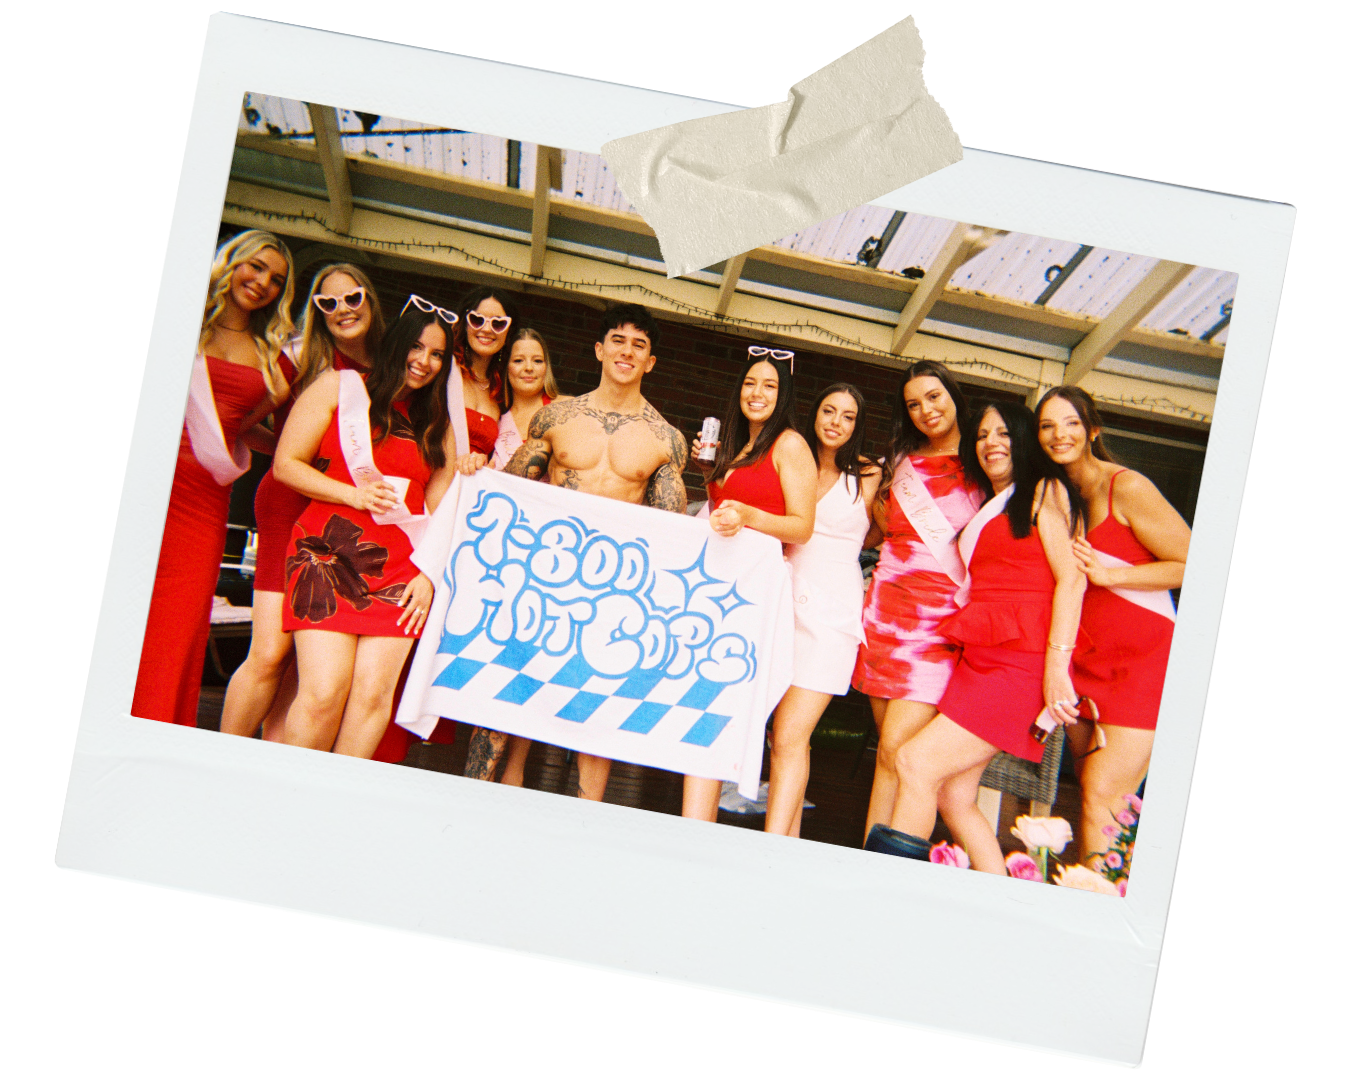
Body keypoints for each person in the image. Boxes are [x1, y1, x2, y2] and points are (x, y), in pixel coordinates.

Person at [475, 303, 688, 798]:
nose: (626, 351)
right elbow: (506, 493)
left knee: (598, 713)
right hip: (543, 578)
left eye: (639, 345)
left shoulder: (666, 439)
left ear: (650, 362)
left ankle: (587, 814)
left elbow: (670, 532)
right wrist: (473, 471)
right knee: (504, 697)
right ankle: (481, 797)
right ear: (599, 349)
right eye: (618, 339)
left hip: (609, 593)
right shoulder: (557, 416)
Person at [865, 402, 1088, 870]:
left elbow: (1071, 580)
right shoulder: (990, 505)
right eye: (983, 435)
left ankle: (885, 885)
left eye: (1004, 433)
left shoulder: (1043, 489)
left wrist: (1056, 670)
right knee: (954, 795)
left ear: (1024, 439)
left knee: (913, 763)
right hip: (979, 660)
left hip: (1021, 664)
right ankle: (1003, 900)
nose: (991, 443)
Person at [272, 302, 456, 756]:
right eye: (416, 346)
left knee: (374, 698)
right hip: (325, 555)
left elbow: (440, 509)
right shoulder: (338, 387)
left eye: (437, 355)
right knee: (322, 693)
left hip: (399, 570)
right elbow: (285, 465)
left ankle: (337, 809)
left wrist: (428, 575)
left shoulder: (437, 423)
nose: (424, 361)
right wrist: (352, 494)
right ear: (396, 343)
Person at [133, 229, 295, 728]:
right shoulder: (178, 314)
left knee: (177, 627)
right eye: (256, 266)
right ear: (232, 262)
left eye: (276, 280)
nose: (263, 283)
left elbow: (248, 432)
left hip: (203, 500)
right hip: (144, 484)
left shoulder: (273, 357)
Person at [220, 263, 386, 744]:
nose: (342, 310)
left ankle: (272, 756)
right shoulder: (302, 357)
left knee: (303, 656)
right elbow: (240, 421)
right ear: (315, 310)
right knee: (271, 650)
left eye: (352, 298)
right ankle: (222, 751)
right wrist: (294, 454)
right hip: (289, 502)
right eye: (327, 303)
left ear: (370, 300)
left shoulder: (388, 366)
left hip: (340, 513)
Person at [1037, 386, 1189, 870]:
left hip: (1144, 663)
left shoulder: (1127, 486)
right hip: (1087, 662)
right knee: (1097, 800)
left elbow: (1195, 563)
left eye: (1071, 423)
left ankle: (1102, 901)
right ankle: (1105, 887)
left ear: (1093, 430)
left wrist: (1111, 575)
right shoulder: (1055, 493)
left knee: (1103, 792)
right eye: (1047, 426)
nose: (1059, 434)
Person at [851, 360, 985, 841]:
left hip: (938, 628)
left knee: (897, 750)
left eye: (934, 397)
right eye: (914, 404)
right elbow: (885, 531)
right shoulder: (901, 463)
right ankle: (871, 855)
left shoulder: (984, 464)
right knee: (886, 756)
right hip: (885, 618)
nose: (926, 409)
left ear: (953, 397)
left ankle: (886, 863)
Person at [684, 345, 817, 822]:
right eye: (749, 383)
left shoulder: (790, 445)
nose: (757, 393)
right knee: (705, 703)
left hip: (755, 594)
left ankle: (703, 821)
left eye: (769, 386)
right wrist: (711, 478)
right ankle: (694, 822)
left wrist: (749, 515)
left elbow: (801, 526)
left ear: (783, 396)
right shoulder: (738, 444)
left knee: (729, 704)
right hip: (718, 588)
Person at [763, 383, 881, 837]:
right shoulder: (793, 459)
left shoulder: (871, 474)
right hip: (783, 602)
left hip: (833, 615)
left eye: (847, 416)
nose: (835, 422)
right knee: (787, 737)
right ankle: (786, 842)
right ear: (815, 415)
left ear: (858, 425)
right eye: (828, 410)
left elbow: (885, 534)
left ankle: (770, 845)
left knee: (791, 734)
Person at [486, 329, 572, 786]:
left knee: (528, 663)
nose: (527, 368)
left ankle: (516, 768)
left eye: (536, 360)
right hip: (495, 550)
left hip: (544, 552)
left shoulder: (562, 414)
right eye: (518, 360)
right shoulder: (489, 416)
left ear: (546, 367)